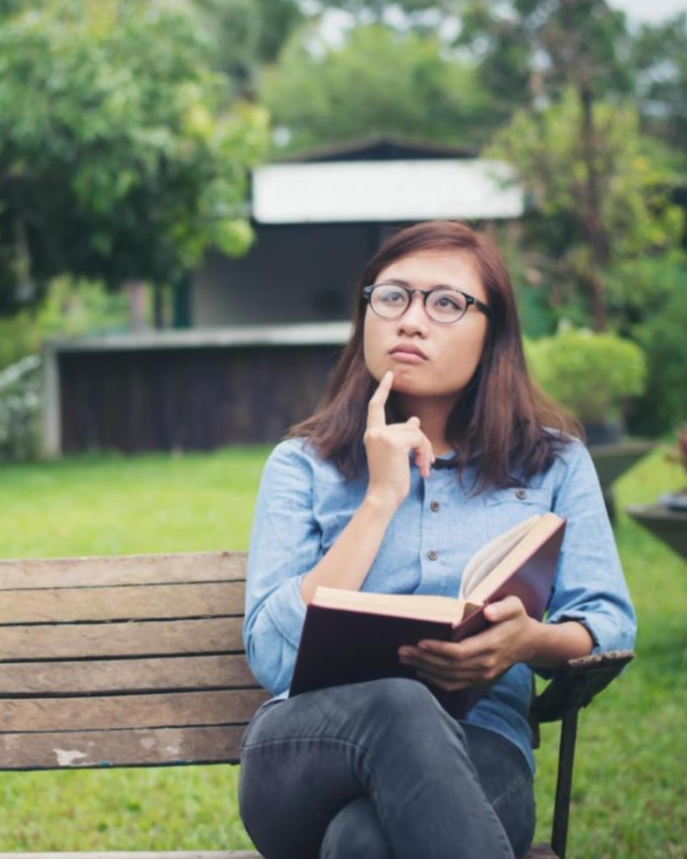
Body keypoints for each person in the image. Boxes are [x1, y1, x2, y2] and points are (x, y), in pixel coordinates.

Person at [237, 220, 636, 859]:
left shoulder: (553, 463)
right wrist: (379, 498)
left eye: (446, 303)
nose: (411, 320)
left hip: (484, 750)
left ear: (494, 333)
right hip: (307, 752)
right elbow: (273, 656)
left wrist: (527, 641)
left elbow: (608, 624)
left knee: (362, 844)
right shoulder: (302, 465)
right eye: (391, 296)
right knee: (400, 705)